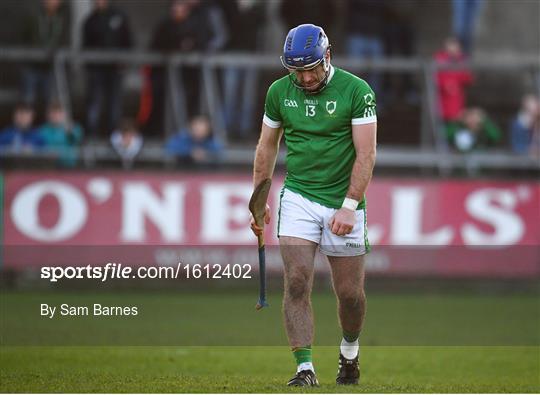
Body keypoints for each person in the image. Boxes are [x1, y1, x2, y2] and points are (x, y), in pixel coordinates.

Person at [250, 24, 377, 386]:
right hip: (299, 198)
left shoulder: (357, 91)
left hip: (343, 201)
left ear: (328, 56)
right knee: (296, 282)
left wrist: (350, 205)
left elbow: (366, 153)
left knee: (350, 295)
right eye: (297, 70)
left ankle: (349, 352)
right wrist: (259, 199)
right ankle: (304, 367)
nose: (304, 78)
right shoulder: (278, 92)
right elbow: (267, 146)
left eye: (312, 68)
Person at [82, 0, 132, 138]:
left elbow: (128, 41)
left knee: (114, 104)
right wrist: (90, 65)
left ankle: (114, 135)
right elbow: (85, 45)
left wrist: (124, 60)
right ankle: (92, 135)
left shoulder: (119, 17)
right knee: (94, 103)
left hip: (115, 69)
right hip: (96, 70)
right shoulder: (90, 21)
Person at [20, 0, 68, 108]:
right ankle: (26, 124)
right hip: (32, 65)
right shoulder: (33, 16)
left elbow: (65, 40)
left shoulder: (62, 18)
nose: (51, 2)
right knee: (28, 99)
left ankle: (47, 125)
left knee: (52, 100)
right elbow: (24, 37)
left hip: (51, 66)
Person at [434, 36, 473, 122]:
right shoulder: (439, 59)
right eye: (450, 45)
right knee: (442, 121)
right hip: (442, 98)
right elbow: (435, 77)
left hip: (457, 97)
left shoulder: (462, 60)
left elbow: (468, 79)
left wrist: (463, 63)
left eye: (455, 45)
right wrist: (445, 84)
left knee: (456, 119)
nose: (453, 48)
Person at [39, 101, 83, 167]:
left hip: (69, 167)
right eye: (53, 113)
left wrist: (71, 132)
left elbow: (78, 141)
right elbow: (39, 147)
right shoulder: (42, 130)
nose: (56, 116)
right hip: (48, 166)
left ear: (64, 114)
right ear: (48, 114)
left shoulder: (74, 128)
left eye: (59, 113)